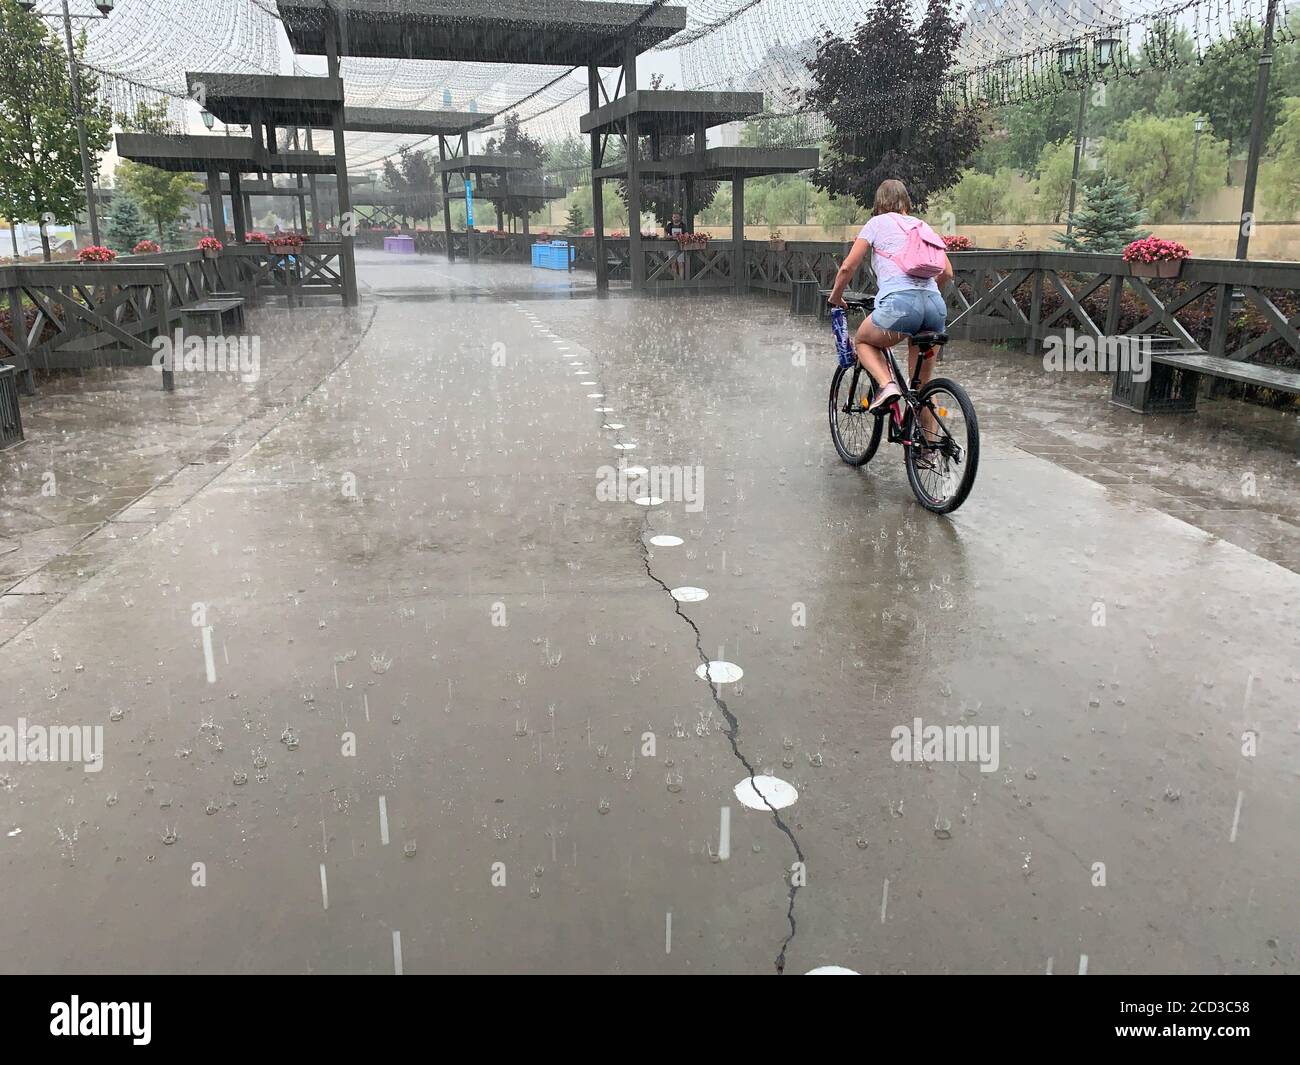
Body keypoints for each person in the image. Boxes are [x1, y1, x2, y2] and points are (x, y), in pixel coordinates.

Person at [829, 179, 953, 413]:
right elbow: (947, 272)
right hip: (935, 306)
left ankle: (886, 385)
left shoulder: (876, 224)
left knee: (863, 341)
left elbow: (848, 267)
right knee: (922, 387)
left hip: (900, 307)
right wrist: (922, 293)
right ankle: (928, 449)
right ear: (906, 202)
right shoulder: (922, 225)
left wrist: (836, 297)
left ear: (878, 203)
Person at [665, 210, 686, 278]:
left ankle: (681, 280)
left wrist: (682, 237)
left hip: (681, 246)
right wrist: (670, 237)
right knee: (673, 263)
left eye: (677, 217)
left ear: (680, 217)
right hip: (671, 246)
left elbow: (686, 234)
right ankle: (676, 280)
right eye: (674, 217)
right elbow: (665, 234)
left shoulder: (683, 225)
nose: (675, 218)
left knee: (681, 263)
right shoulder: (669, 225)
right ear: (672, 218)